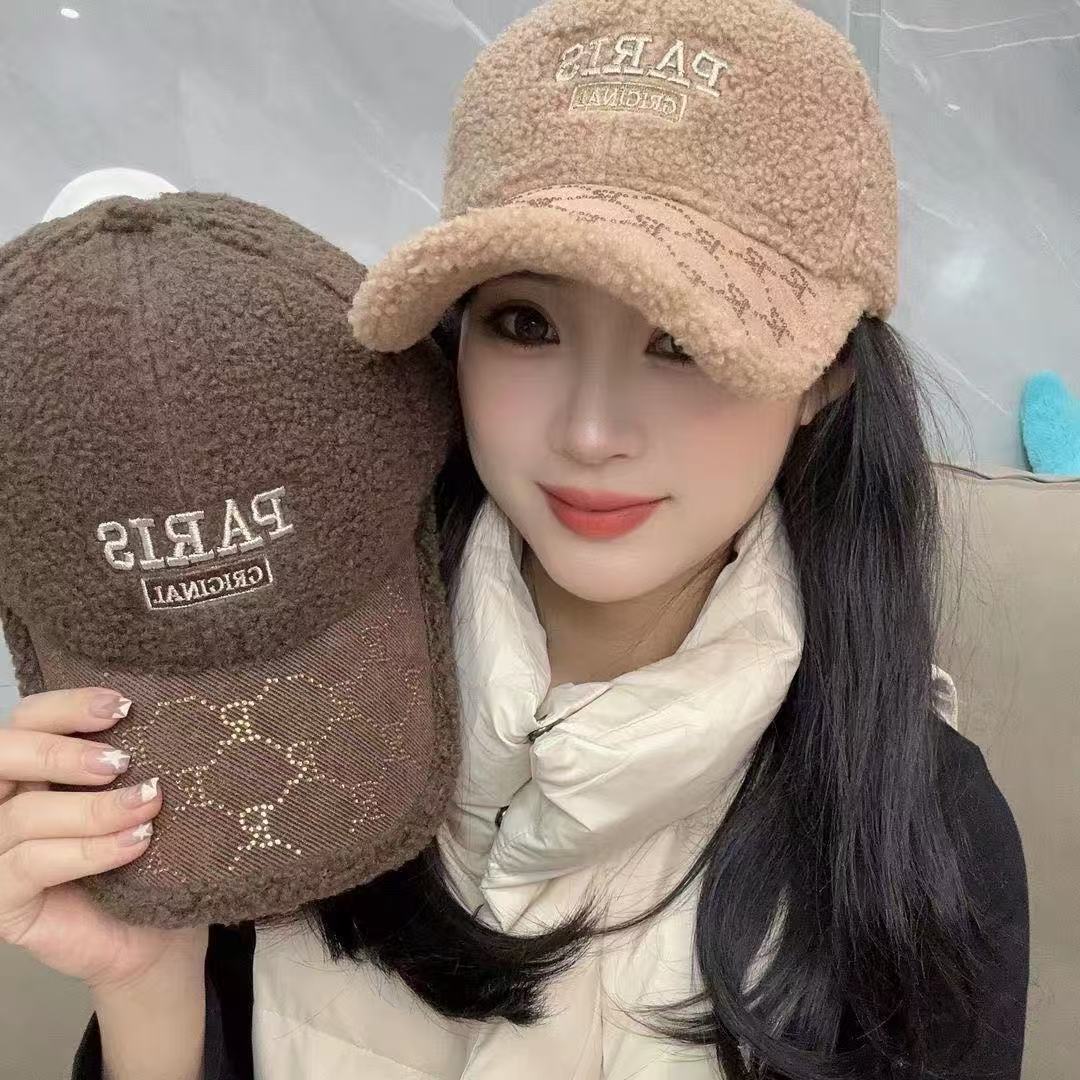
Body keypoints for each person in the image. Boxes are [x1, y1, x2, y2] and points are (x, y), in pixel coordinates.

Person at [1, 0, 1029, 1078]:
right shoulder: (279, 697)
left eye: (682, 342)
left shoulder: (922, 833)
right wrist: (146, 986)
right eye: (526, 323)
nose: (589, 432)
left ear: (824, 375)